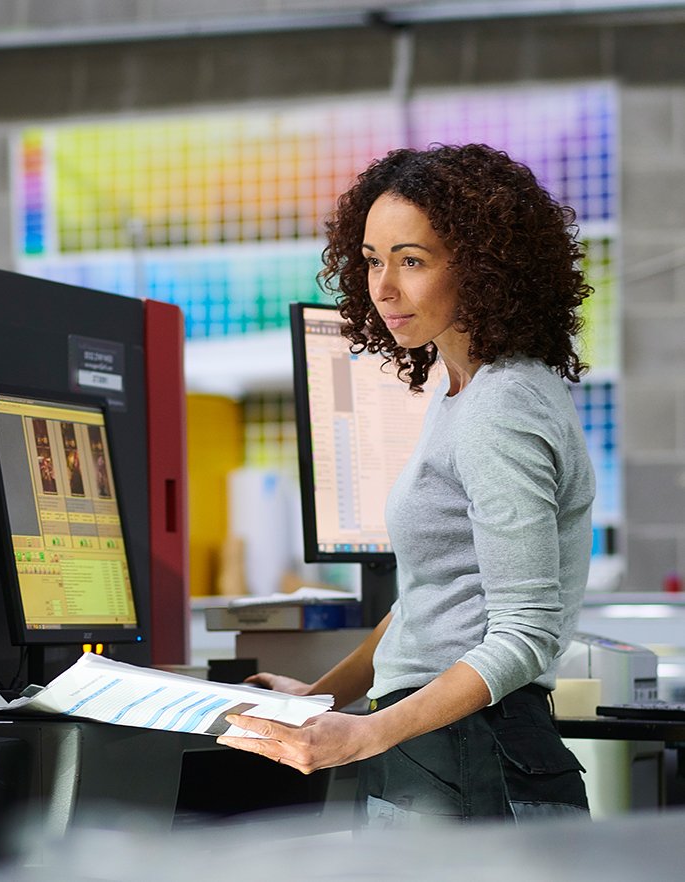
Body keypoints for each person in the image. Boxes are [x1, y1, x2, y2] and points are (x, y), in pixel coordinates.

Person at [217, 143, 595, 825]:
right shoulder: (463, 392)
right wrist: (325, 699)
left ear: (483, 270)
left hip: (474, 755)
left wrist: (365, 732)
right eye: (371, 260)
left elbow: (526, 634)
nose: (383, 286)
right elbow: (431, 598)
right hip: (438, 749)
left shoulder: (501, 406)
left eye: (412, 260)